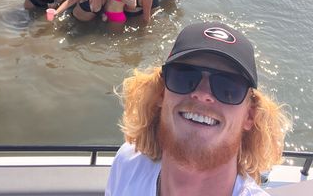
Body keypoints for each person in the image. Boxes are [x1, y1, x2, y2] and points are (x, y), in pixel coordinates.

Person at [106, 21, 291, 196]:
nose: (202, 94)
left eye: (228, 88)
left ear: (249, 116)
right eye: (184, 77)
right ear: (161, 94)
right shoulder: (127, 164)